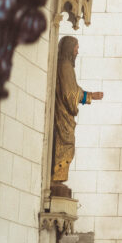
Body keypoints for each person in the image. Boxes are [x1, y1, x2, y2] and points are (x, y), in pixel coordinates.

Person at [51, 36, 103, 195]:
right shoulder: (65, 66)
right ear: (69, 48)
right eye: (76, 48)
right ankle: (55, 179)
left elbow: (72, 90)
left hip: (63, 113)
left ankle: (57, 179)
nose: (77, 51)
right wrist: (90, 96)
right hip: (62, 114)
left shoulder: (65, 67)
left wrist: (88, 95)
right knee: (65, 143)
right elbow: (69, 94)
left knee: (66, 144)